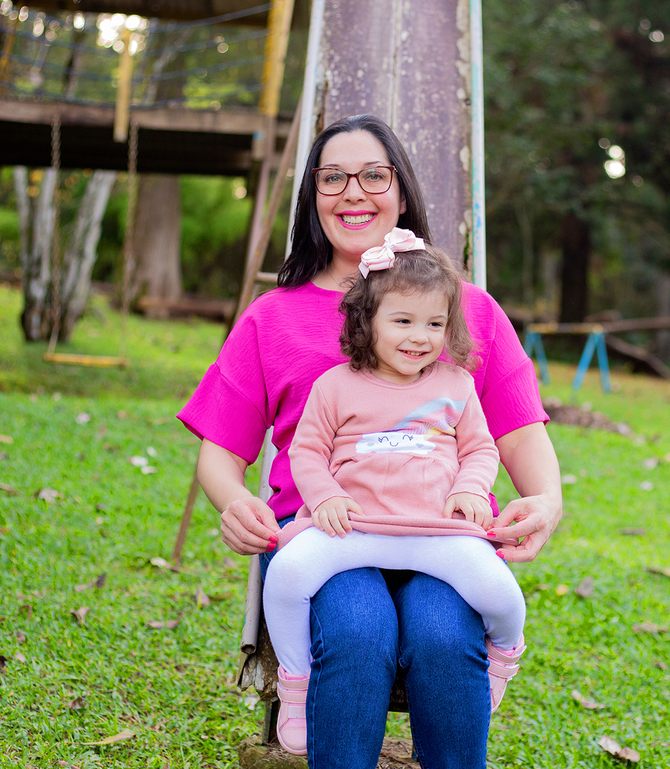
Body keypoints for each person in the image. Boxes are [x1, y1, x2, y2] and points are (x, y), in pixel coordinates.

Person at [178, 113, 563, 769]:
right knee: (359, 632)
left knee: (445, 634)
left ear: (402, 192)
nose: (353, 191)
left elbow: (519, 429)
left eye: (372, 175)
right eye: (333, 177)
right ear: (313, 199)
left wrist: (546, 499)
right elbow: (221, 450)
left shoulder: (466, 309)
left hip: (442, 531)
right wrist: (231, 500)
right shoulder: (272, 316)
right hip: (328, 534)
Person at [262, 235, 528, 755]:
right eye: (403, 321)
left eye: (434, 324)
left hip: (435, 532)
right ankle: (296, 685)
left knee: (502, 595)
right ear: (367, 322)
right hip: (355, 530)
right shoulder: (337, 386)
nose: (420, 337)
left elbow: (480, 449)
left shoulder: (455, 384)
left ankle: (504, 657)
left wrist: (471, 487)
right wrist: (326, 497)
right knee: (287, 574)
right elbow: (308, 453)